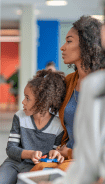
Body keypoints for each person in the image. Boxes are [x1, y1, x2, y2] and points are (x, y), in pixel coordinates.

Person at [0, 70, 67, 184]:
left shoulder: (57, 126)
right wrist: (30, 154)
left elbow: (52, 155)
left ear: (43, 101)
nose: (23, 102)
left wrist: (54, 154)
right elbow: (11, 149)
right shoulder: (19, 117)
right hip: (13, 163)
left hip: (35, 166)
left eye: (27, 98)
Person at [56, 15, 104, 160]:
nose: (62, 47)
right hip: (66, 159)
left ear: (86, 45)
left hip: (94, 163)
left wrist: (71, 153)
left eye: (69, 41)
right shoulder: (69, 81)